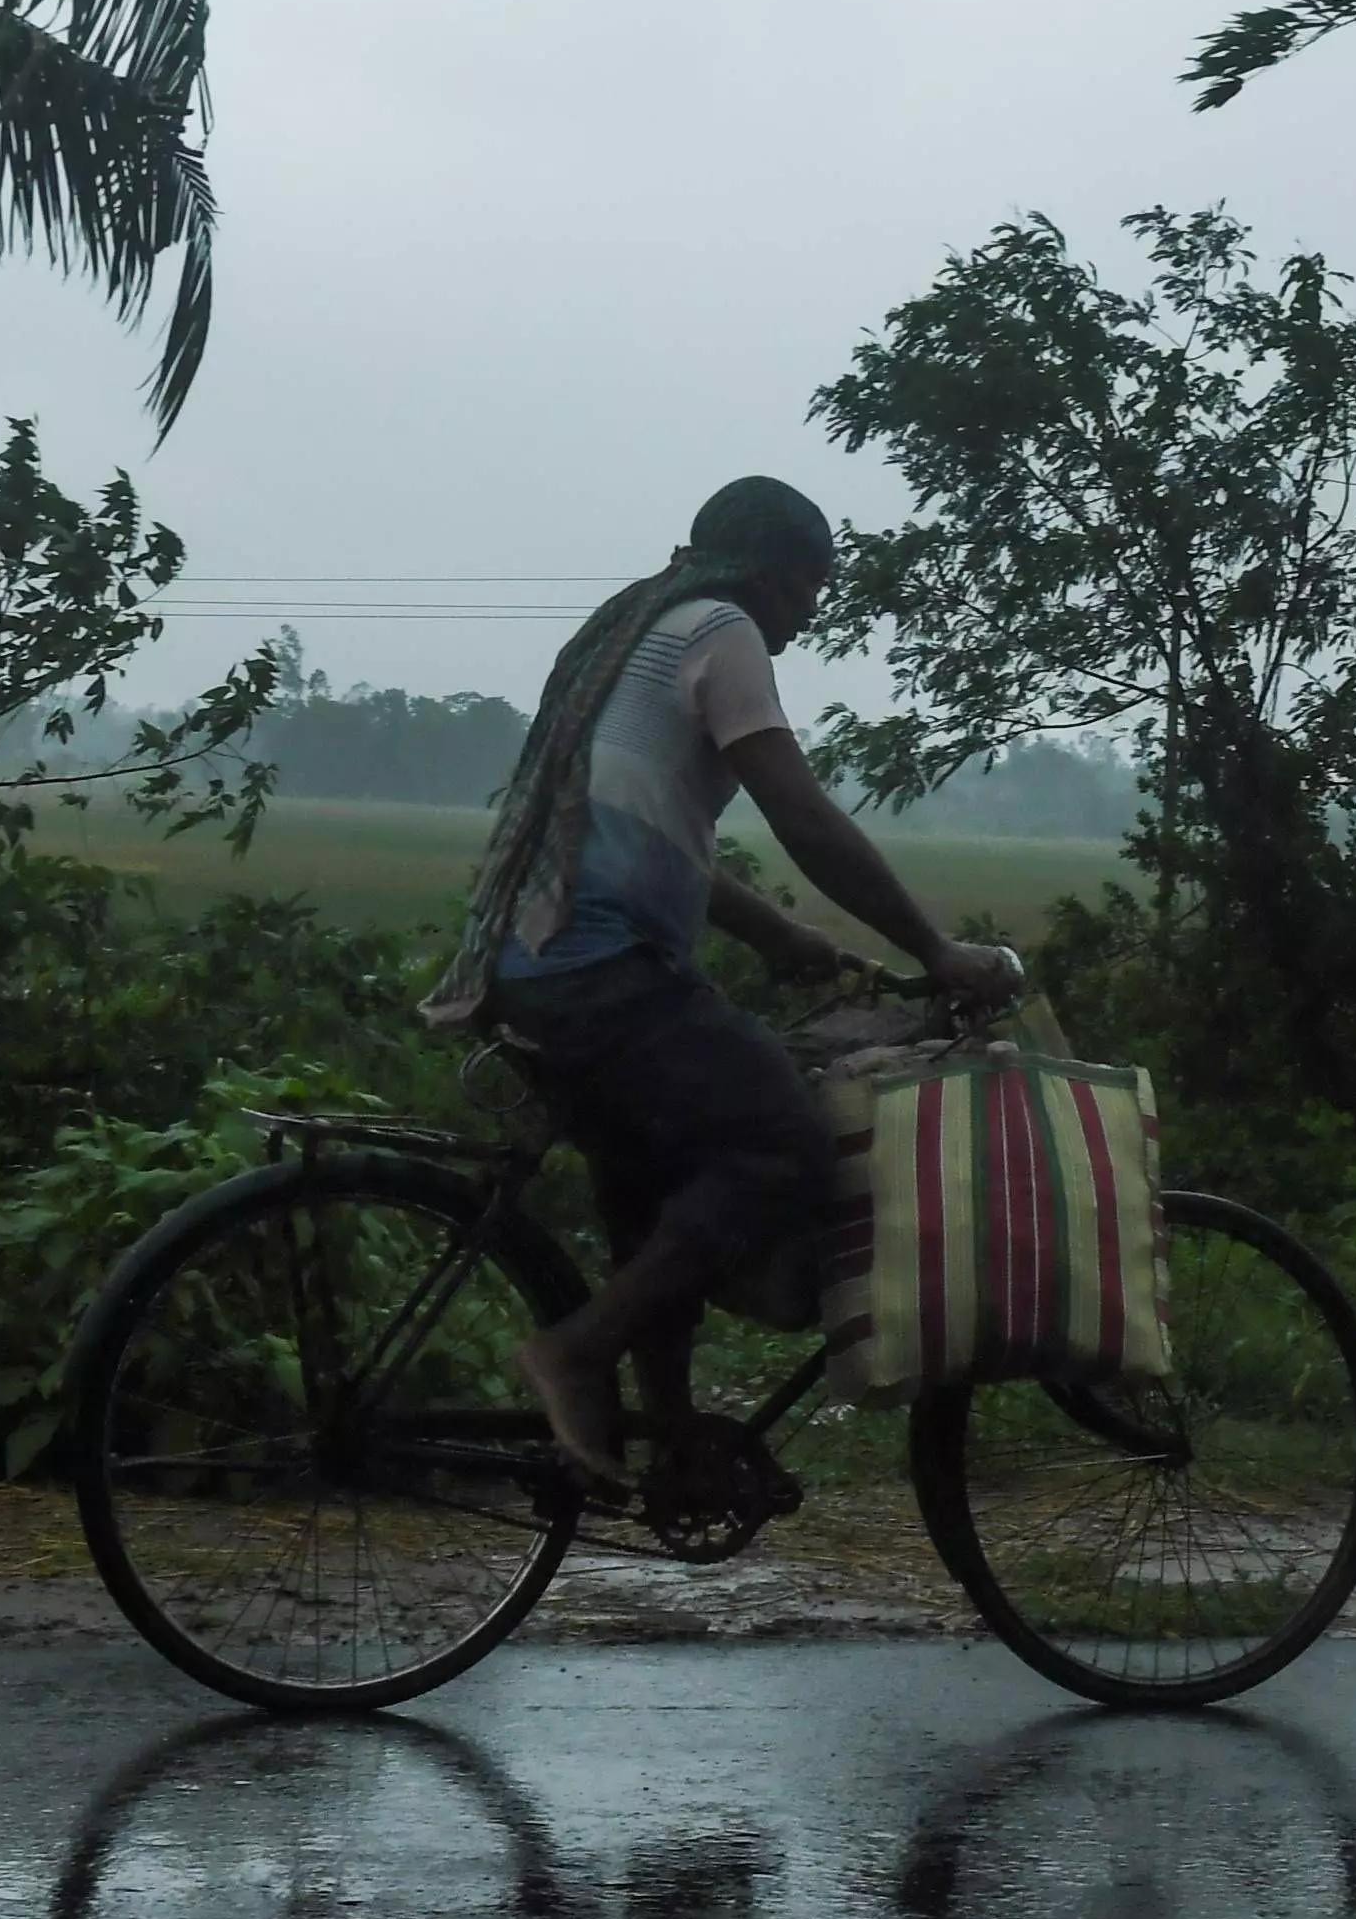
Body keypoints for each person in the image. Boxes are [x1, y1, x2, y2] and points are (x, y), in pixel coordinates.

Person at [427, 474, 1026, 1484]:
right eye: (811, 588)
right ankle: (574, 1353)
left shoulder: (635, 630)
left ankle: (670, 1447)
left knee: (654, 1196)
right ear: (767, 573)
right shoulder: (723, 630)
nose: (811, 612)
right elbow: (800, 814)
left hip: (539, 967)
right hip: (603, 972)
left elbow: (650, 828)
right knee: (785, 1142)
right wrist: (936, 949)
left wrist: (779, 932)